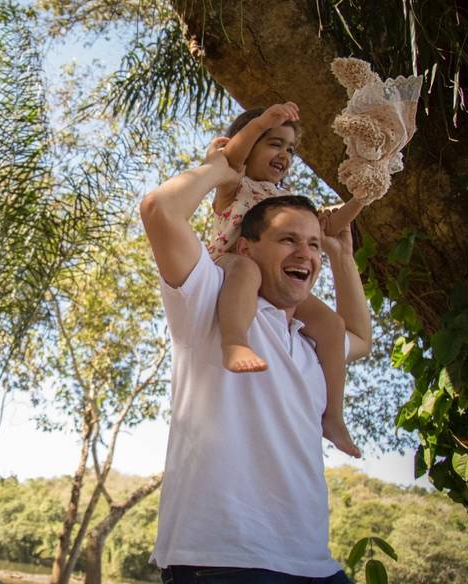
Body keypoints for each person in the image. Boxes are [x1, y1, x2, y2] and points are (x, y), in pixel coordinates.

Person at [140, 140, 371, 581]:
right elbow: (159, 211)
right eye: (288, 240)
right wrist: (218, 169)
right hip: (224, 560)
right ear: (247, 249)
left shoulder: (310, 341)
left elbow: (359, 336)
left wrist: (342, 257)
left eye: (313, 245)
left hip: (311, 562)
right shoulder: (209, 303)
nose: (306, 253)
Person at [208, 102, 363, 459]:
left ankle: (334, 415)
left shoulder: (287, 202)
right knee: (247, 272)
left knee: (331, 323)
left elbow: (332, 227)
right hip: (232, 264)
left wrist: (361, 197)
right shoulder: (234, 185)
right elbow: (231, 157)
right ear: (250, 147)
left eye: (290, 149)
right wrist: (262, 121)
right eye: (274, 143)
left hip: (272, 278)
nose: (285, 154)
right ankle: (235, 342)